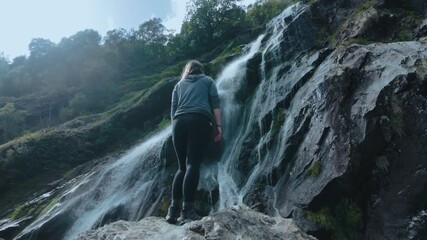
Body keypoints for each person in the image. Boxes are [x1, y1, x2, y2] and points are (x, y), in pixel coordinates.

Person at [165, 60, 222, 225]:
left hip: (179, 123)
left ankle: (172, 211)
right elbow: (215, 105)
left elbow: (173, 110)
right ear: (201, 70)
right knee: (192, 165)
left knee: (181, 167)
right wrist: (218, 126)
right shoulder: (208, 81)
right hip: (200, 120)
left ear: (187, 71)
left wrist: (176, 127)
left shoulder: (179, 85)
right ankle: (188, 212)